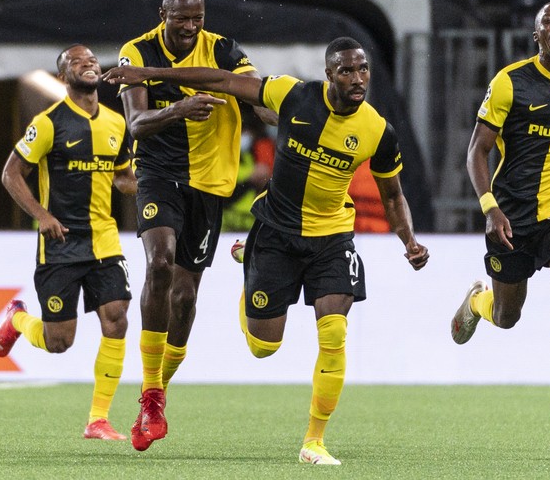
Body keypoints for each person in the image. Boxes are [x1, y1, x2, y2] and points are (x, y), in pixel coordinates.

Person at [103, 36, 430, 465]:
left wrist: (408, 239)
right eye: (347, 70)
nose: (358, 79)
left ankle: (314, 442)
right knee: (263, 347)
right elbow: (222, 79)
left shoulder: (377, 131)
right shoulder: (293, 94)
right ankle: (250, 263)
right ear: (329, 74)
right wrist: (149, 73)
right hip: (276, 233)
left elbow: (392, 194)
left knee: (333, 333)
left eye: (363, 69)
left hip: (332, 238)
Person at [115, 0, 276, 450]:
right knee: (159, 263)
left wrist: (280, 106)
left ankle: (159, 390)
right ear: (163, 13)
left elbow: (254, 92)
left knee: (184, 297)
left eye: (197, 19)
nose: (189, 27)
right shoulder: (136, 51)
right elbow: (137, 125)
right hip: (159, 174)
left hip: (209, 184)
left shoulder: (223, 50)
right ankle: (148, 394)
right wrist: (181, 108)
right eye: (181, 18)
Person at [450, 1, 550, 448]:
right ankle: (477, 303)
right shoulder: (508, 83)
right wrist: (490, 206)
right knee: (506, 315)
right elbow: (477, 151)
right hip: (511, 215)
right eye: (549, 23)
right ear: (537, 37)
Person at [0, 44, 137, 441]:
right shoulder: (49, 123)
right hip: (60, 244)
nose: (88, 64)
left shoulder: (115, 122)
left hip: (103, 239)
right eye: (77, 62)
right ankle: (18, 319)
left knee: (117, 317)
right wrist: (42, 215)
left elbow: (121, 175)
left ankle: (98, 419)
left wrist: (141, 184)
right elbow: (11, 174)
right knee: (60, 343)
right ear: (63, 77)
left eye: (91, 60)